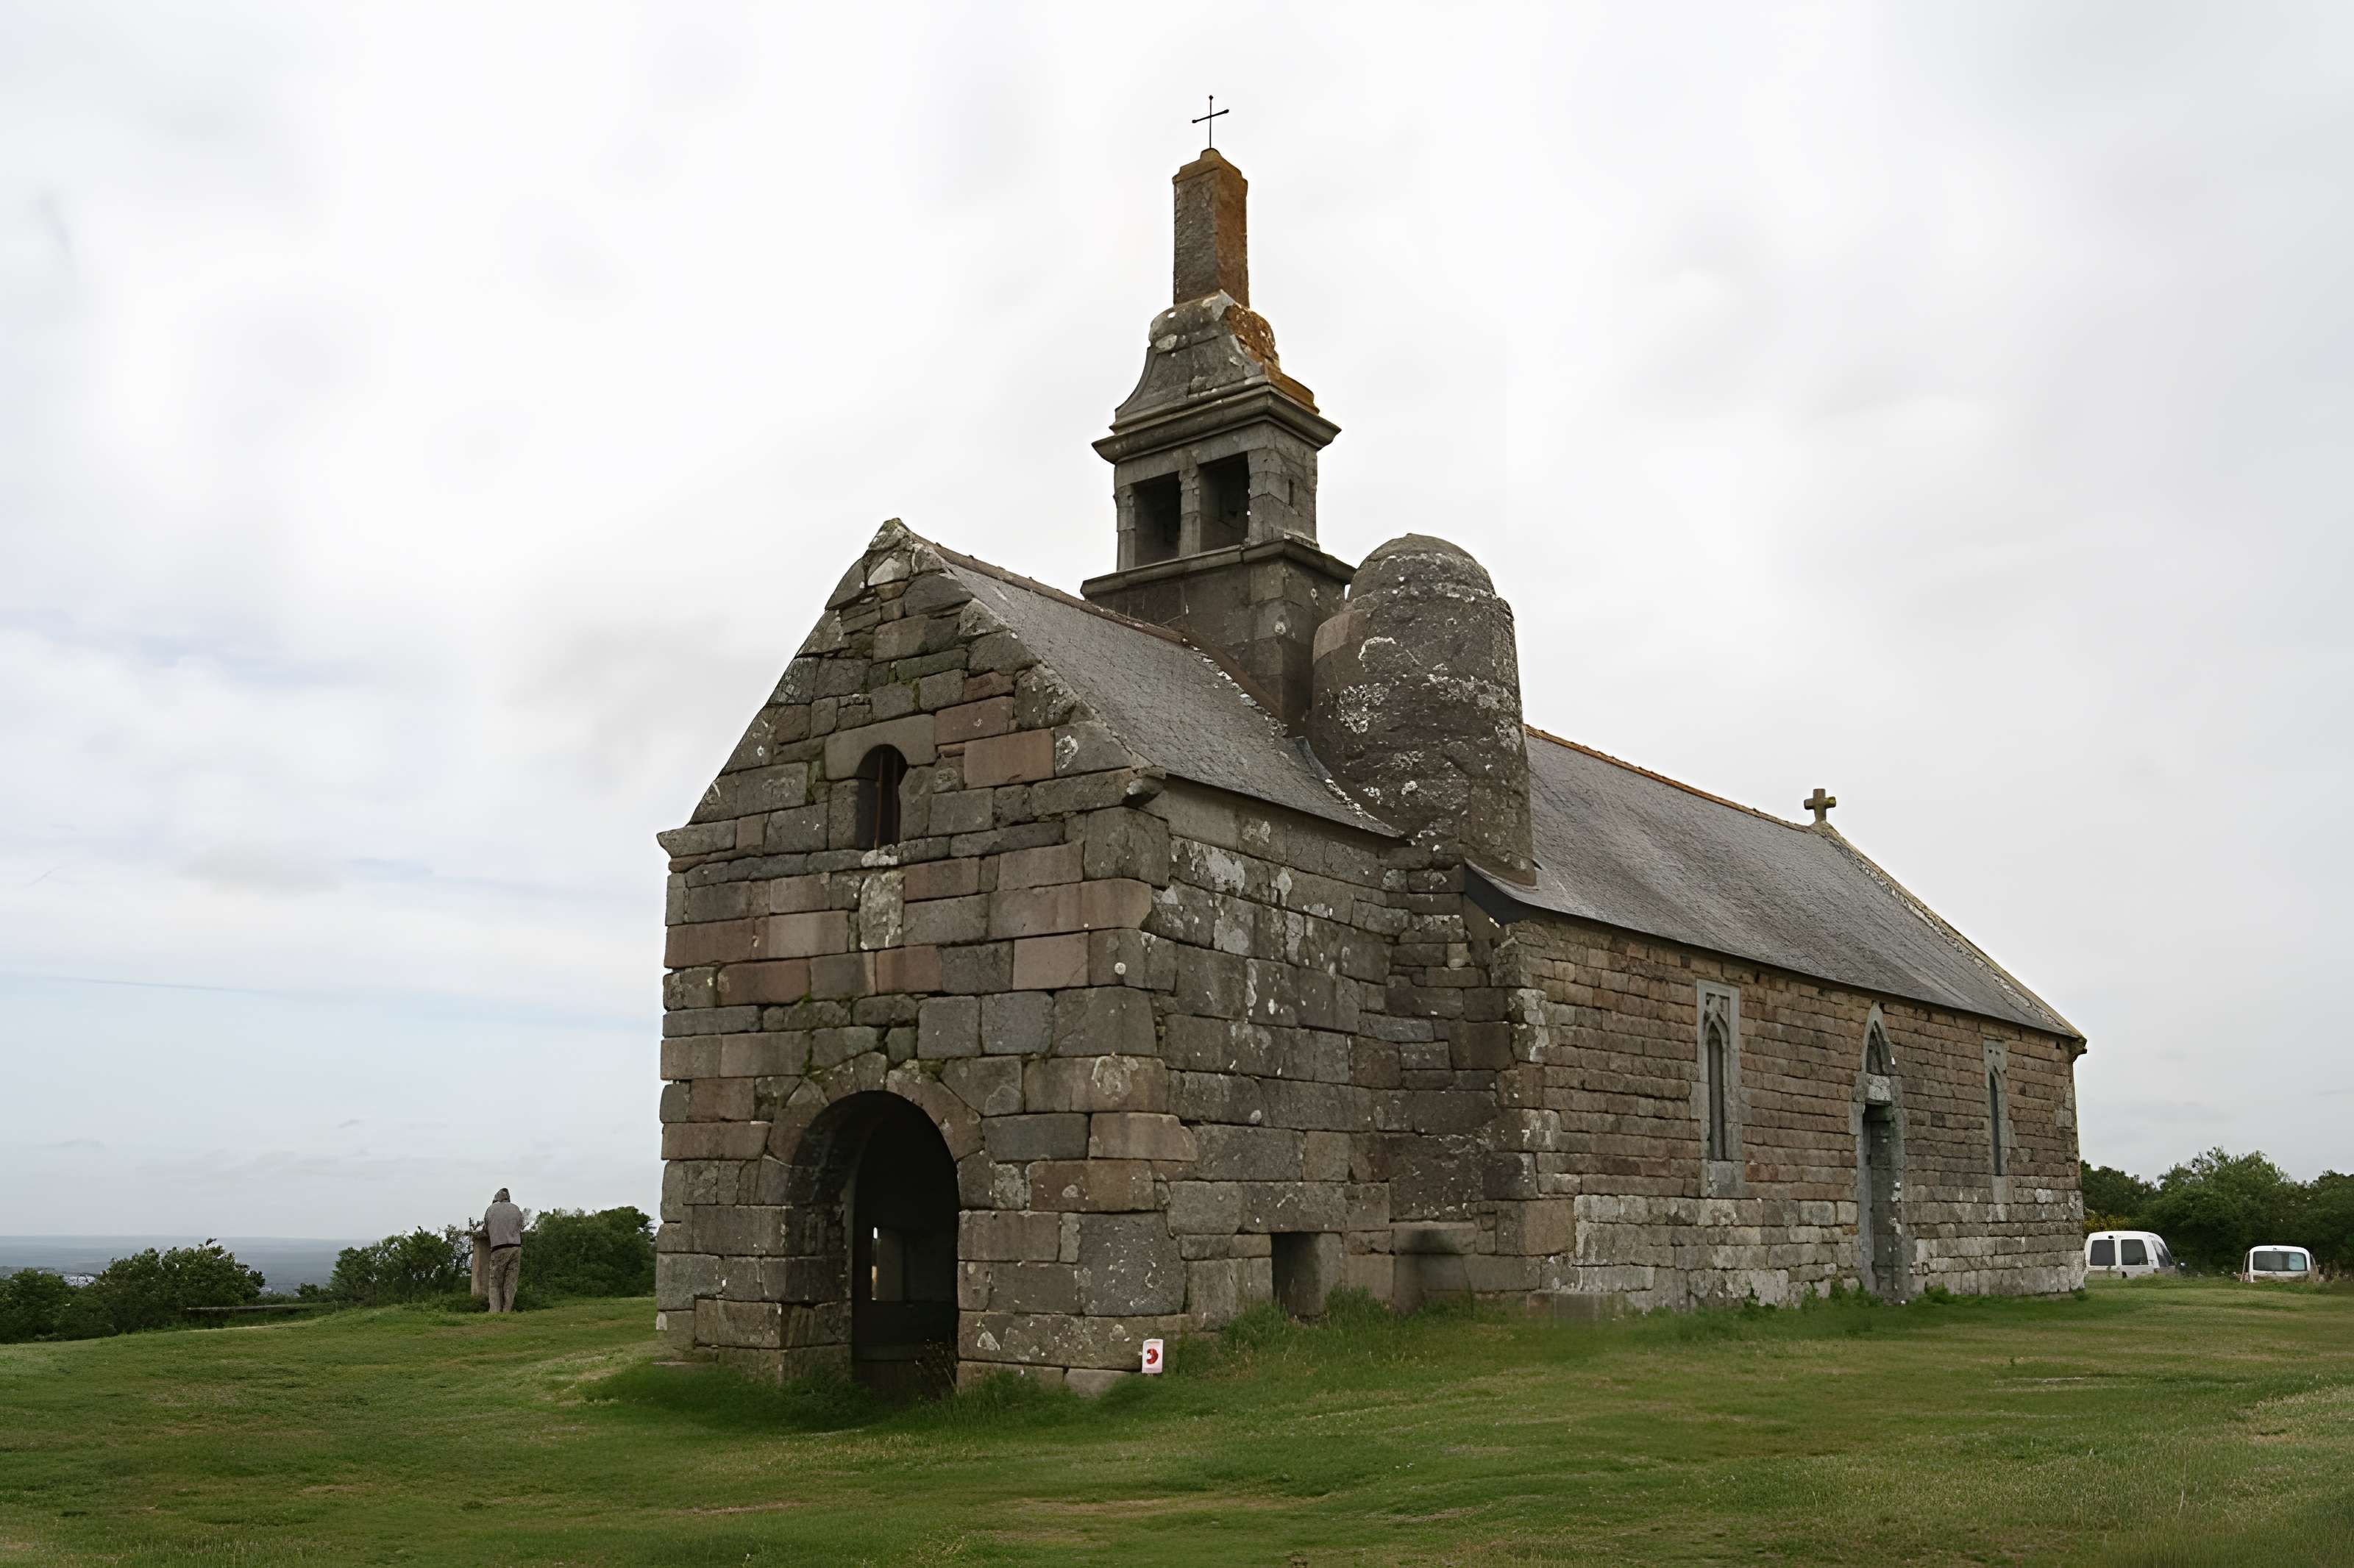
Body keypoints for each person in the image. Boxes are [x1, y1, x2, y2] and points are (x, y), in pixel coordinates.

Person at [479, 1188, 524, 1314]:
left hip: (499, 1248)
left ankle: (494, 1311)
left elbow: (486, 1229)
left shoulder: (491, 1209)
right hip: (516, 1247)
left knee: (495, 1282)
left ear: (496, 1199)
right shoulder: (516, 1208)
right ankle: (507, 1310)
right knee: (511, 1282)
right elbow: (520, 1225)